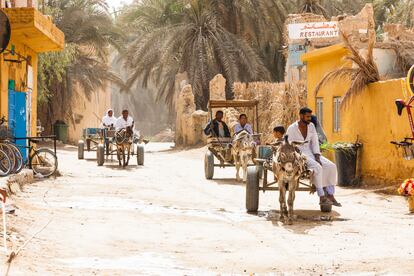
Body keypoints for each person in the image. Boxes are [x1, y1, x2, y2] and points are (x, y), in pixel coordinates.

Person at [286, 107, 341, 206]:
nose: (309, 119)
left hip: (311, 152)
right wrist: (295, 154)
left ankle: (330, 194)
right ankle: (321, 196)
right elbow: (288, 144)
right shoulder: (292, 128)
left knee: (331, 166)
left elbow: (315, 141)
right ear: (301, 116)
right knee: (317, 167)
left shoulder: (311, 126)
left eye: (310, 117)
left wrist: (317, 156)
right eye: (307, 117)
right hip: (298, 154)